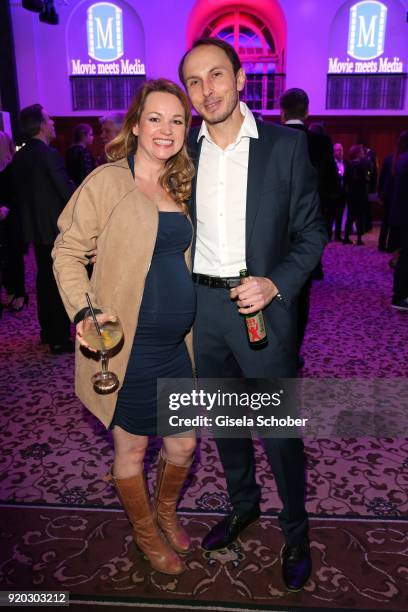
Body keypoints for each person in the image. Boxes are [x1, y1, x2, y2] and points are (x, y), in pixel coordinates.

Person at [178, 38, 327, 591]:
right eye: (194, 82)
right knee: (226, 423)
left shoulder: (285, 147)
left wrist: (275, 283)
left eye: (216, 75)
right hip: (202, 310)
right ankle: (243, 505)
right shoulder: (182, 151)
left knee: (280, 432)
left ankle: (296, 530)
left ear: (241, 79)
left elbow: (313, 234)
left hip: (262, 304)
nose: (206, 90)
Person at [52, 79, 197, 575]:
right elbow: (66, 252)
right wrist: (84, 311)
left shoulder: (181, 183)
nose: (166, 129)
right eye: (155, 118)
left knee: (183, 442)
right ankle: (145, 533)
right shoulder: (107, 183)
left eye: (177, 120)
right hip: (128, 349)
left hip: (179, 346)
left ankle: (165, 511)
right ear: (136, 125)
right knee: (132, 448)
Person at [279, 87, 338, 363]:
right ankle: (294, 352)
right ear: (307, 111)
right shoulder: (321, 143)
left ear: (281, 113)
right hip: (308, 232)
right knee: (301, 295)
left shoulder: (273, 139)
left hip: (275, 233)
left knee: (272, 289)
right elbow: (331, 189)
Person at [11, 104, 75, 352]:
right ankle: (59, 338)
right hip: (54, 229)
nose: (54, 123)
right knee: (57, 281)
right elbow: (66, 193)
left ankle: (48, 331)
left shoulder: (20, 156)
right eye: (49, 119)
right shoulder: (49, 155)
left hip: (34, 229)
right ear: (40, 125)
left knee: (44, 280)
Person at [0, 131, 27, 312]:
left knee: (14, 255)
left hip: (12, 217)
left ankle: (20, 294)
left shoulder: (13, 166)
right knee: (3, 257)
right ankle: (10, 290)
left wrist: (7, 207)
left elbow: (21, 193)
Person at [389, 130, 408, 311]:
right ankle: (400, 296)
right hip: (405, 216)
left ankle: (401, 294)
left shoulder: (400, 159)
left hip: (400, 215)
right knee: (405, 258)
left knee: (404, 256)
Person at [343, 144, 369, 246]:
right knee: (359, 217)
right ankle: (359, 239)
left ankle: (346, 237)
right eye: (362, 152)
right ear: (358, 153)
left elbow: (346, 180)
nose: (363, 153)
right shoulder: (362, 165)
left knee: (350, 216)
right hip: (360, 194)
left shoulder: (348, 164)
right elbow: (365, 179)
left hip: (351, 194)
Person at [332, 142, 348, 242]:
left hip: (343, 193)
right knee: (330, 216)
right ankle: (328, 235)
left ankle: (337, 235)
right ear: (333, 152)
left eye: (341, 150)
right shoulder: (331, 164)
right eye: (337, 150)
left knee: (339, 215)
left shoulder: (346, 163)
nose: (340, 152)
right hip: (333, 194)